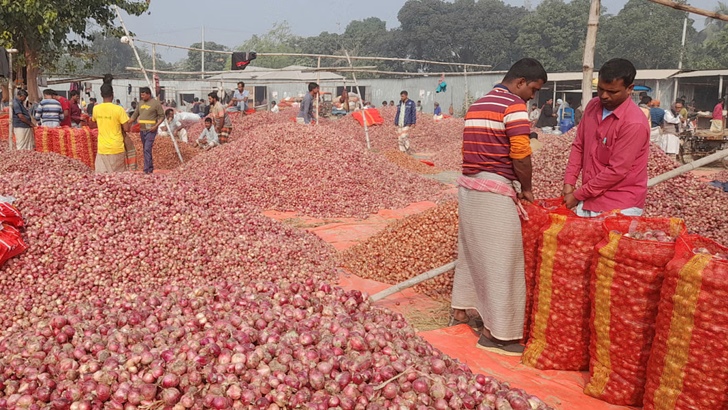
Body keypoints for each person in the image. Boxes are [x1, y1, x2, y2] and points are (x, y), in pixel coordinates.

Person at [451, 58, 546, 356]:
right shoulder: (514, 106)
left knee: (472, 253)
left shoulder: (478, 104)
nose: (533, 96)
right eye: (533, 89)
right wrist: (527, 188)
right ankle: (497, 334)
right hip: (494, 191)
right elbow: (520, 154)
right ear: (520, 82)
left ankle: (462, 312)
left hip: (470, 188)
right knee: (503, 261)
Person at [563, 58, 650, 217]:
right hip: (589, 199)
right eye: (600, 89)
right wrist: (569, 182)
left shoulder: (633, 123)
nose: (604, 96)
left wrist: (577, 195)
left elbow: (616, 171)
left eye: (612, 92)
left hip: (619, 205)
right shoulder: (592, 106)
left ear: (629, 88)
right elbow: (579, 145)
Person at [92, 77, 131, 173]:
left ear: (101, 95)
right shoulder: (119, 109)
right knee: (117, 179)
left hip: (102, 149)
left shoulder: (96, 108)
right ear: (112, 95)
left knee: (101, 178)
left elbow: (93, 124)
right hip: (117, 148)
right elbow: (126, 128)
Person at [130, 87, 165, 174]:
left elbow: (162, 116)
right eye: (141, 95)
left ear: (148, 94)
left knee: (147, 148)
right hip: (142, 130)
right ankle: (150, 168)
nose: (142, 96)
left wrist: (156, 126)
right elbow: (134, 115)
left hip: (151, 130)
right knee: (146, 149)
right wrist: (127, 123)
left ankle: (146, 170)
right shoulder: (140, 103)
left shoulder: (156, 103)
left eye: (143, 95)